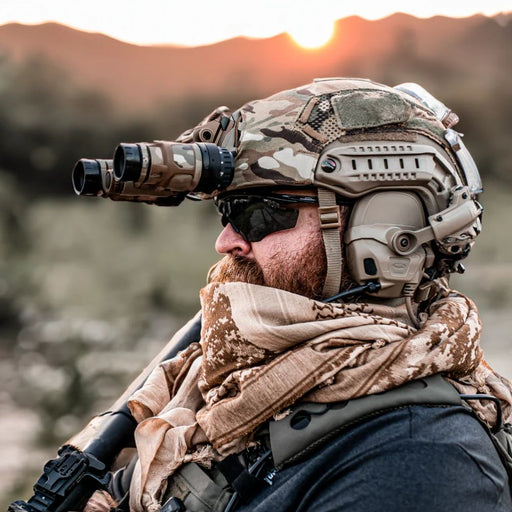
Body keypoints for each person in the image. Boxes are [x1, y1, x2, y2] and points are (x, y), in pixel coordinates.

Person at [86, 78, 512, 512]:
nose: (227, 241)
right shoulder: (231, 385)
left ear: (382, 231)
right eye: (227, 212)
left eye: (258, 213)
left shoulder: (418, 463)